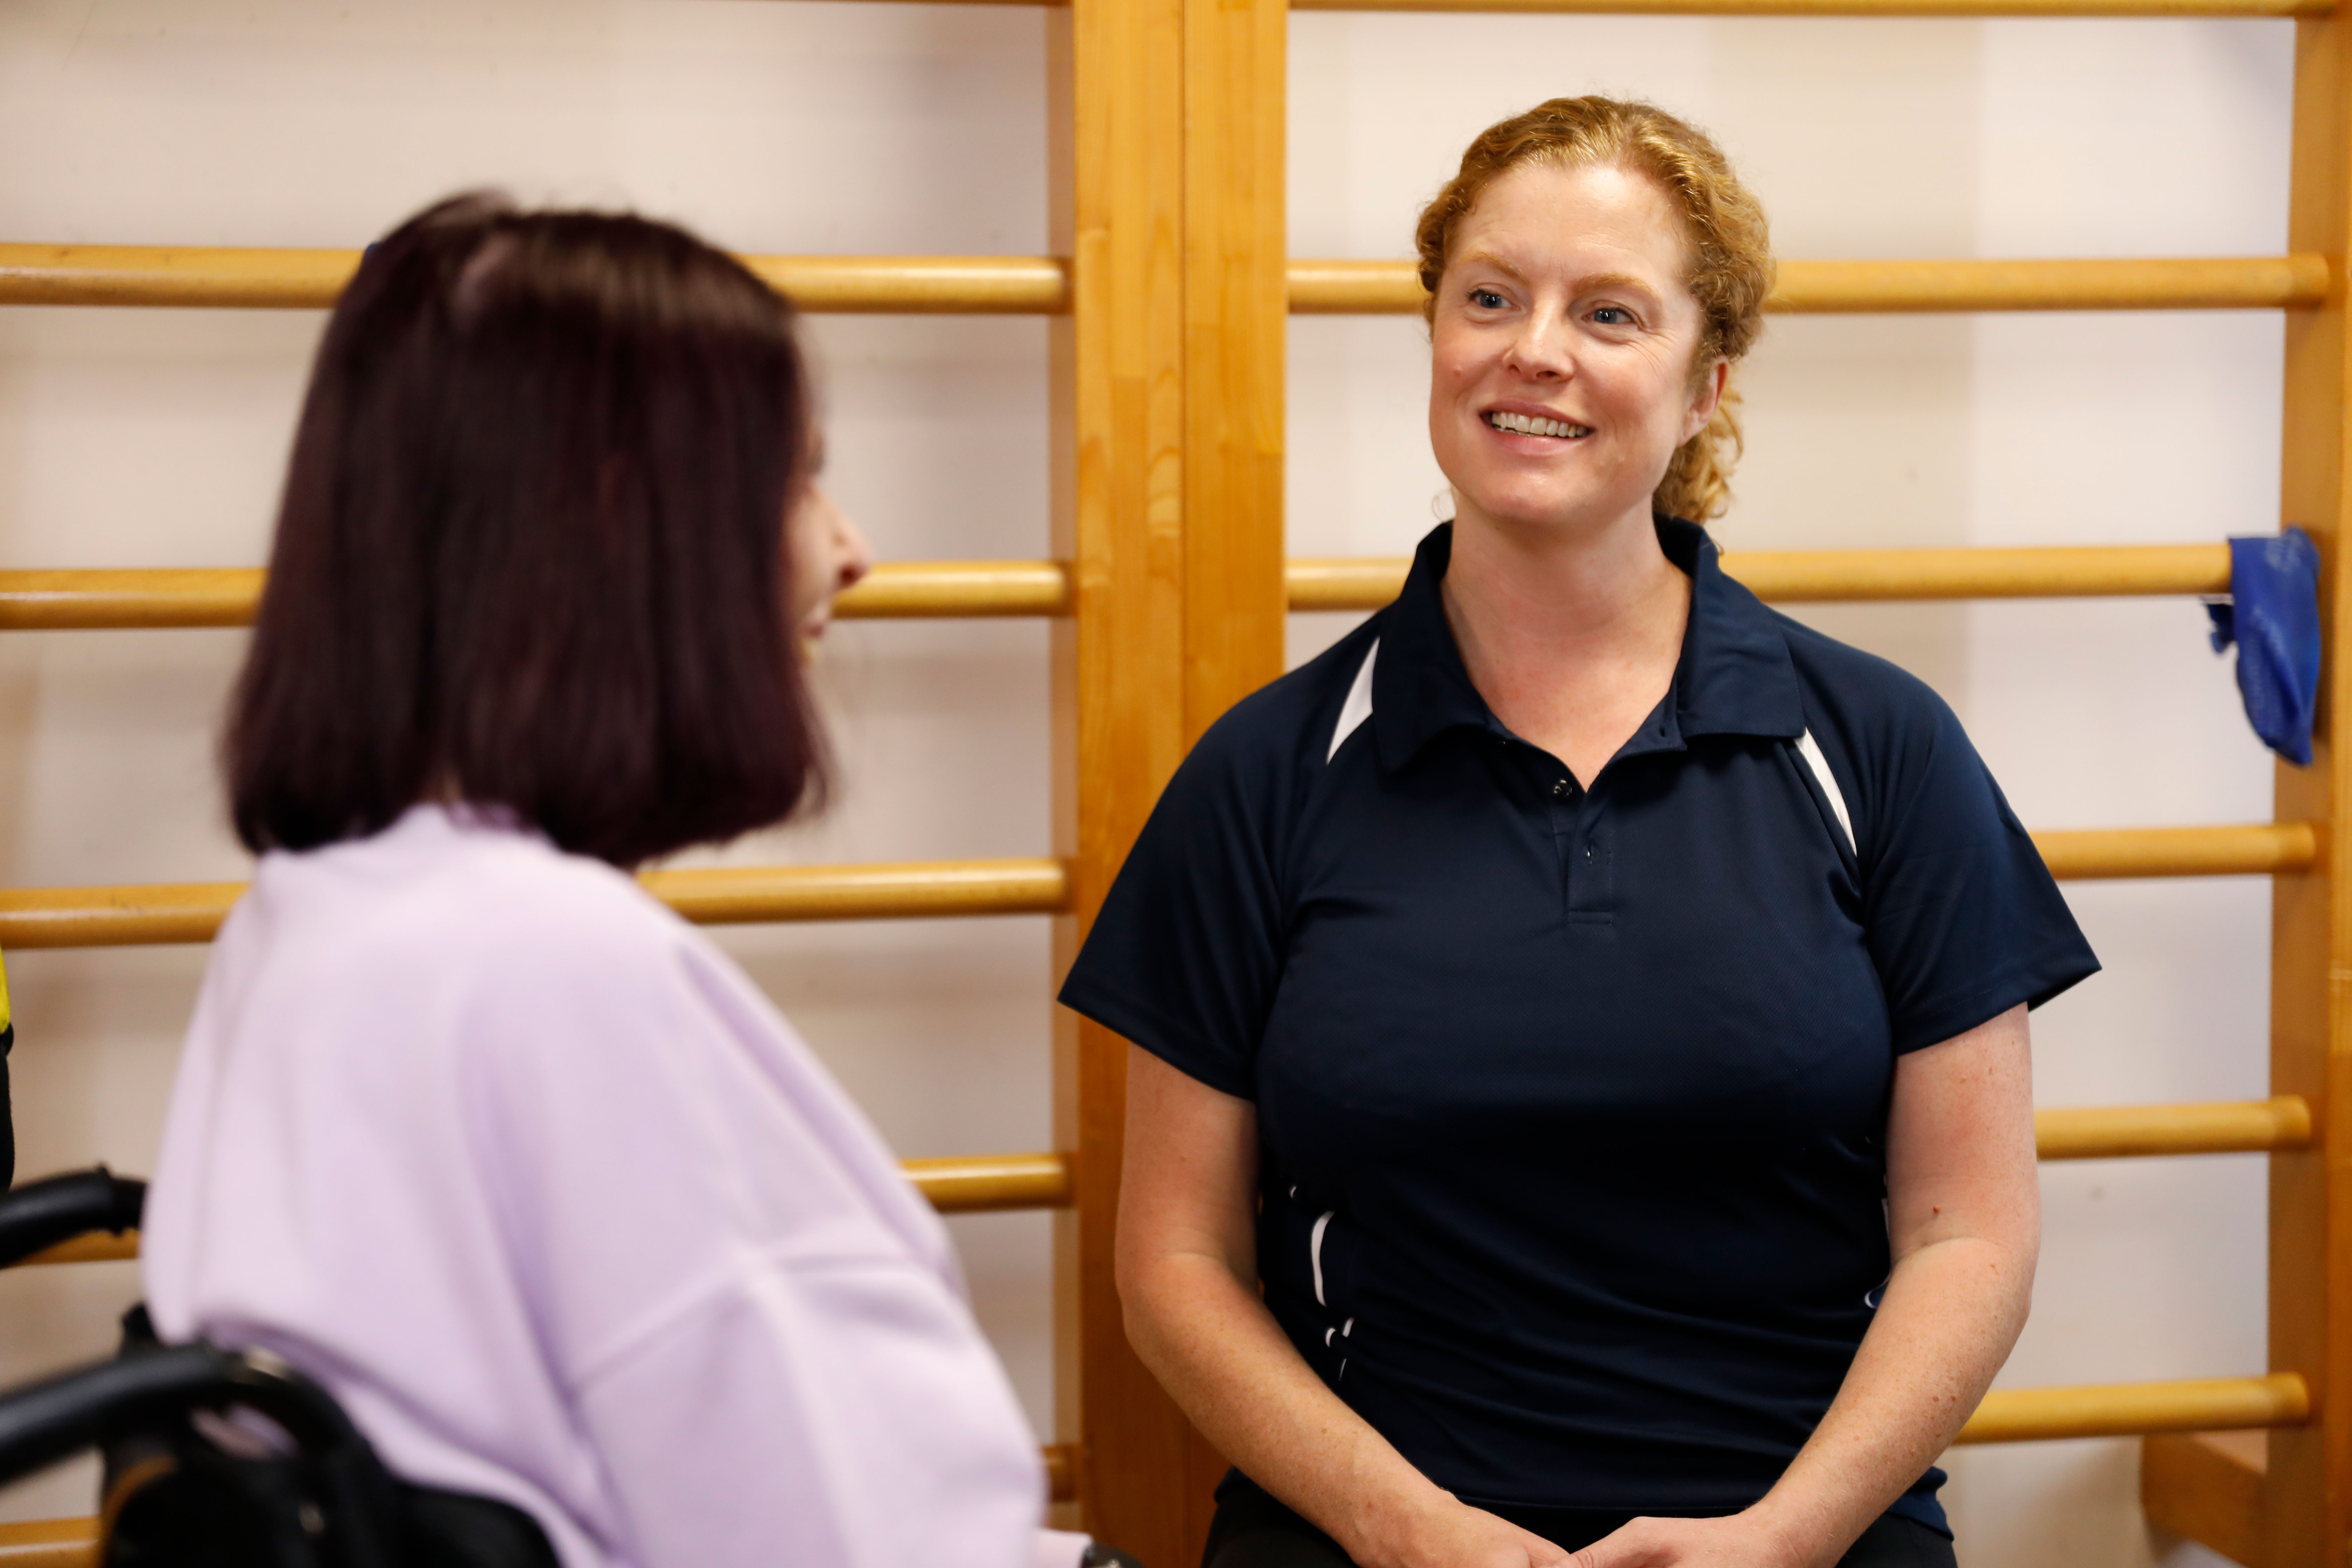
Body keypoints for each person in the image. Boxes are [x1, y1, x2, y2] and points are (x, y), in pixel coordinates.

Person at [1059, 98, 2099, 1568]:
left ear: (1705, 384)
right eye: (1490, 296)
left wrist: (1784, 1537)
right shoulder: (1270, 769)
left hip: (1804, 1533)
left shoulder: (1879, 747)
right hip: (1370, 1540)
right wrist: (1405, 1528)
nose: (1533, 348)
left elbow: (1968, 1234)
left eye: (1610, 312)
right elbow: (1175, 1261)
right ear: (1436, 332)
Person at [141, 195, 1068, 1568]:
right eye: (797, 480)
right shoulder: (549, 964)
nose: (849, 548)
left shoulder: (317, 911)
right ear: (630, 523)